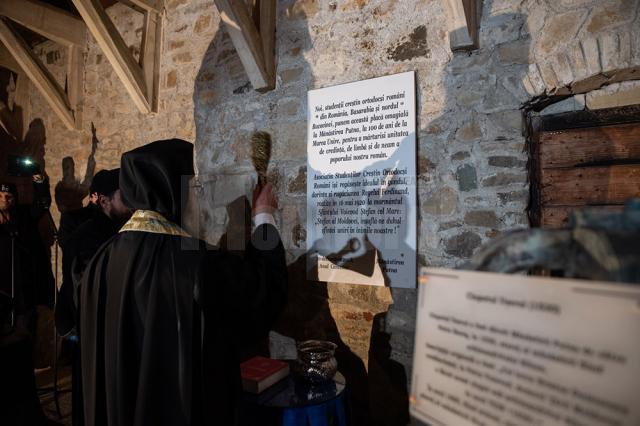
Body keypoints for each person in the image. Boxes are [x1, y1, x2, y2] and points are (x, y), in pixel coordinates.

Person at [80, 139, 287, 426]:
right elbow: (260, 295)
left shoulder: (100, 262)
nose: (196, 200)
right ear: (173, 192)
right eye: (193, 189)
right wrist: (264, 216)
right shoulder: (196, 264)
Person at [55, 168, 131, 426]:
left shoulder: (121, 231)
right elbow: (86, 292)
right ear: (105, 200)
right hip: (92, 335)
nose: (130, 202)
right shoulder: (88, 237)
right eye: (124, 196)